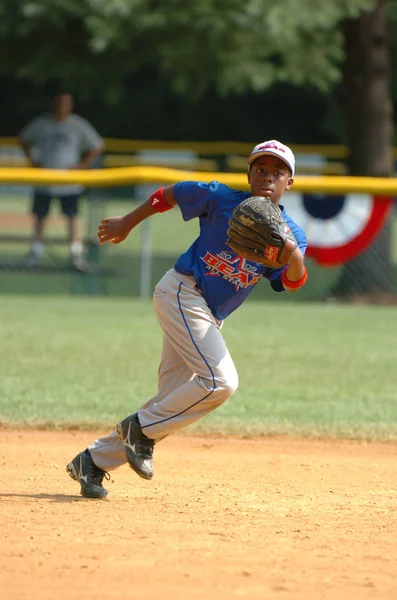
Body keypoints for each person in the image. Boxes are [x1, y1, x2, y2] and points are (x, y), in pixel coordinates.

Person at [66, 140, 308, 498]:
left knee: (172, 402)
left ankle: (93, 460)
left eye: (277, 172)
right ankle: (139, 431)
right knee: (221, 382)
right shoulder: (221, 198)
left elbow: (291, 282)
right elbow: (171, 193)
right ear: (249, 174)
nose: (267, 177)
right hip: (182, 291)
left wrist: (293, 256)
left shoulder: (292, 234)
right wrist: (128, 223)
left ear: (289, 181)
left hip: (207, 315)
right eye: (260, 169)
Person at [18, 93, 104, 271]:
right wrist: (33, 161)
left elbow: (97, 146)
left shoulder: (77, 124)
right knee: (40, 215)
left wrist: (81, 165)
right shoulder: (42, 124)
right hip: (45, 179)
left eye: (65, 104)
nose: (61, 107)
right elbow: (23, 140)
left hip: (68, 181)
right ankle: (36, 252)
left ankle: (75, 253)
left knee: (72, 216)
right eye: (58, 104)